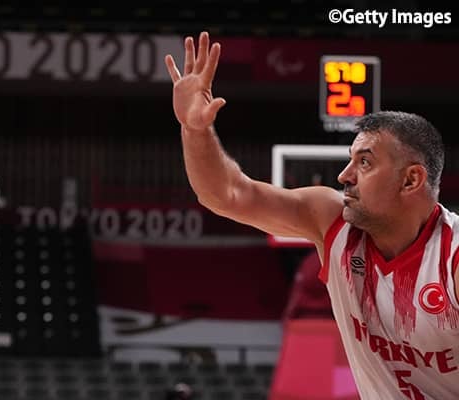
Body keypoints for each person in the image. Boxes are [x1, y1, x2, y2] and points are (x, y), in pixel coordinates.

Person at [165, 32, 457, 398]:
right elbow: (227, 195)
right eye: (350, 160)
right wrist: (195, 130)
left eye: (365, 163)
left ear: (411, 180)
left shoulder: (451, 258)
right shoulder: (332, 221)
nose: (344, 175)